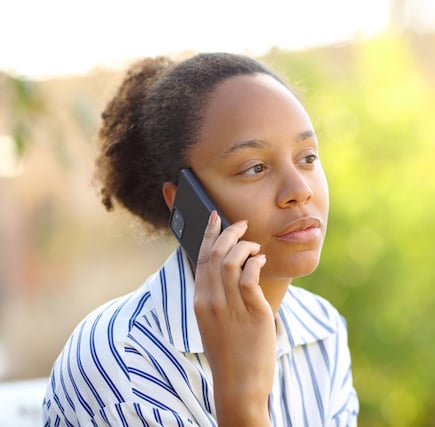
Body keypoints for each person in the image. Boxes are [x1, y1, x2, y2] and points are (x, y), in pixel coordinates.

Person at [42, 52, 359, 426]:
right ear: (184, 202)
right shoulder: (123, 362)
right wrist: (242, 404)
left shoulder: (322, 329)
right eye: (254, 167)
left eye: (307, 157)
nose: (299, 190)